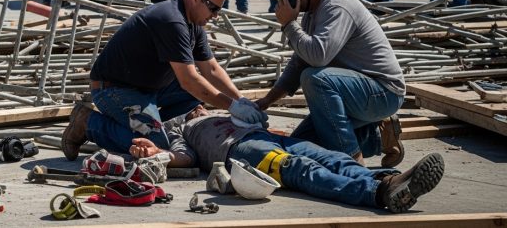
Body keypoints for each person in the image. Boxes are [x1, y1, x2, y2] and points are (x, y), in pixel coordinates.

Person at [61, 0, 268, 161]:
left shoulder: (194, 24)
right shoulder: (172, 21)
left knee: (200, 93)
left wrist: (241, 101)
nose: (215, 15)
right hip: (114, 90)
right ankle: (88, 123)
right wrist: (232, 107)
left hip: (148, 88)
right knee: (157, 145)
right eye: (213, 8)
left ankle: (153, 122)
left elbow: (211, 70)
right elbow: (189, 80)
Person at [129, 106, 446, 214]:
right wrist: (159, 155)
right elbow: (184, 157)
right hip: (242, 152)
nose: (199, 108)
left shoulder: (221, 111)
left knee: (329, 156)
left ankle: (387, 180)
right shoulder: (182, 128)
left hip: (269, 138)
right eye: (194, 108)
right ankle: (376, 194)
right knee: (304, 171)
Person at [256, 0, 405, 167]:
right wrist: (266, 101)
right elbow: (299, 62)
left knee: (314, 78)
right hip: (356, 92)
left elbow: (317, 57)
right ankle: (377, 137)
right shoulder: (312, 14)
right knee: (301, 147)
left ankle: (354, 162)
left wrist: (289, 25)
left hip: (383, 92)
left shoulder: (336, 6)